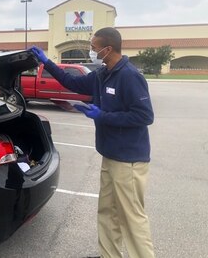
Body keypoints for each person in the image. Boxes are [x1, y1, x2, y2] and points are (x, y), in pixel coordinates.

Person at [30, 27, 155, 258]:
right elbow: (71, 82)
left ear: (108, 49)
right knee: (107, 211)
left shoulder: (129, 76)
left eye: (94, 47)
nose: (91, 51)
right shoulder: (101, 74)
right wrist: (46, 62)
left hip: (129, 161)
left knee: (131, 217)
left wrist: (102, 116)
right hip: (110, 155)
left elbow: (145, 115)